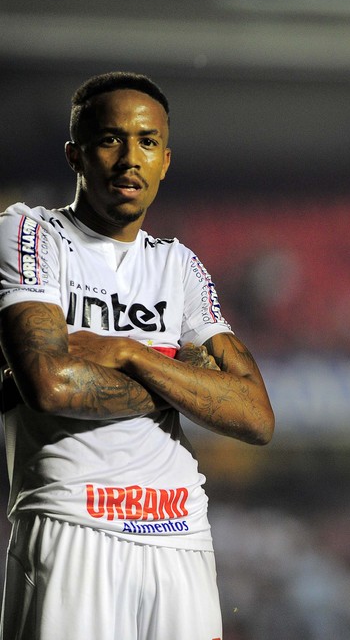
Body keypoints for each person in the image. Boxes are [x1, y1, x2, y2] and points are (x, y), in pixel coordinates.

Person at [0, 72, 275, 639]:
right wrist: (185, 374)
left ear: (165, 160)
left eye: (148, 142)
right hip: (72, 521)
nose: (131, 158)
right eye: (110, 139)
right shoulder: (27, 233)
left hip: (180, 536)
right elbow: (50, 385)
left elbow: (254, 414)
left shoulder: (180, 266)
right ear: (75, 155)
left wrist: (127, 352)